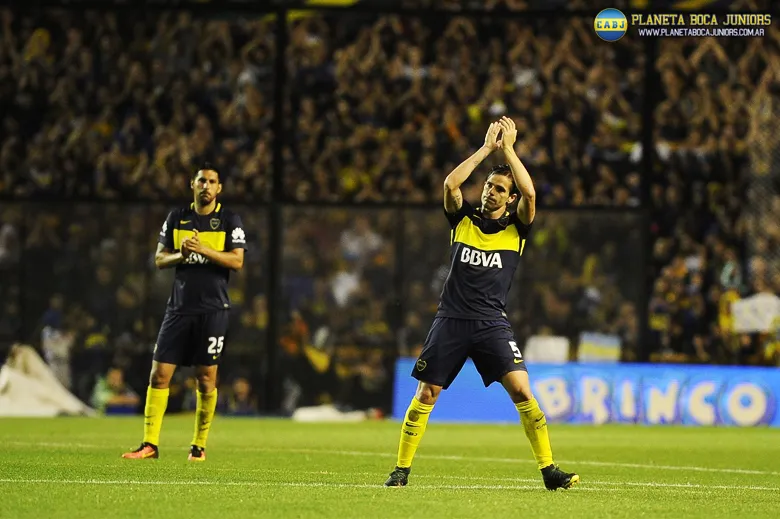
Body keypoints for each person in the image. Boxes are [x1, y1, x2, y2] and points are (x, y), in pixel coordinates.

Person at [384, 118, 579, 490]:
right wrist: (487, 149)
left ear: (510, 199)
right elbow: (450, 184)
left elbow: (531, 194)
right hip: (451, 320)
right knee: (427, 393)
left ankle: (549, 471)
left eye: (500, 189)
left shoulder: (517, 228)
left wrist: (509, 150)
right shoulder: (462, 220)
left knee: (522, 390)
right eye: (489, 185)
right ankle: (401, 470)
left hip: (491, 323)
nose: (491, 192)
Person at [122, 164, 246, 461]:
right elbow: (159, 259)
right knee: (159, 375)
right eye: (201, 181)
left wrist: (203, 250)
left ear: (219, 188)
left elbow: (237, 261)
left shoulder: (229, 219)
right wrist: (183, 254)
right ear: (193, 185)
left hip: (213, 309)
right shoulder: (177, 218)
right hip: (178, 309)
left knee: (206, 379)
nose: (206, 186)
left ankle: (198, 447)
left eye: (212, 181)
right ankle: (150, 444)